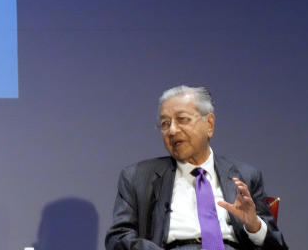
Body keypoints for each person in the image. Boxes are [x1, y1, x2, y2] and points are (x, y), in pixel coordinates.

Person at [105, 86, 287, 250]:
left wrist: (254, 225)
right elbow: (118, 238)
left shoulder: (246, 176)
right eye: (165, 124)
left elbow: (277, 246)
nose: (172, 130)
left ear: (209, 124)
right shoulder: (137, 177)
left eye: (182, 119)